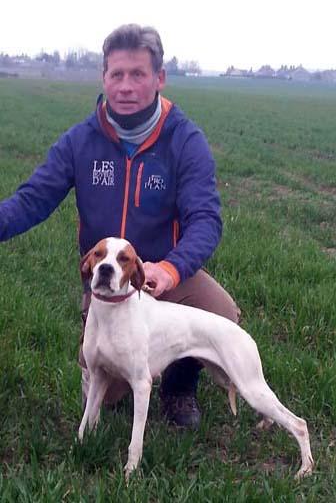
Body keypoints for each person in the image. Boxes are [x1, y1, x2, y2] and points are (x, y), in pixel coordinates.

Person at [0, 24, 240, 429]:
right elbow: (31, 200)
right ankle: (118, 370)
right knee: (105, 395)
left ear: (159, 78)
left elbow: (205, 220)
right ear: (104, 77)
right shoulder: (80, 141)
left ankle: (179, 386)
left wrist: (171, 268)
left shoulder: (185, 140)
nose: (126, 86)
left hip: (163, 277)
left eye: (138, 74)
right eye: (116, 74)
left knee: (220, 314)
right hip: (107, 287)